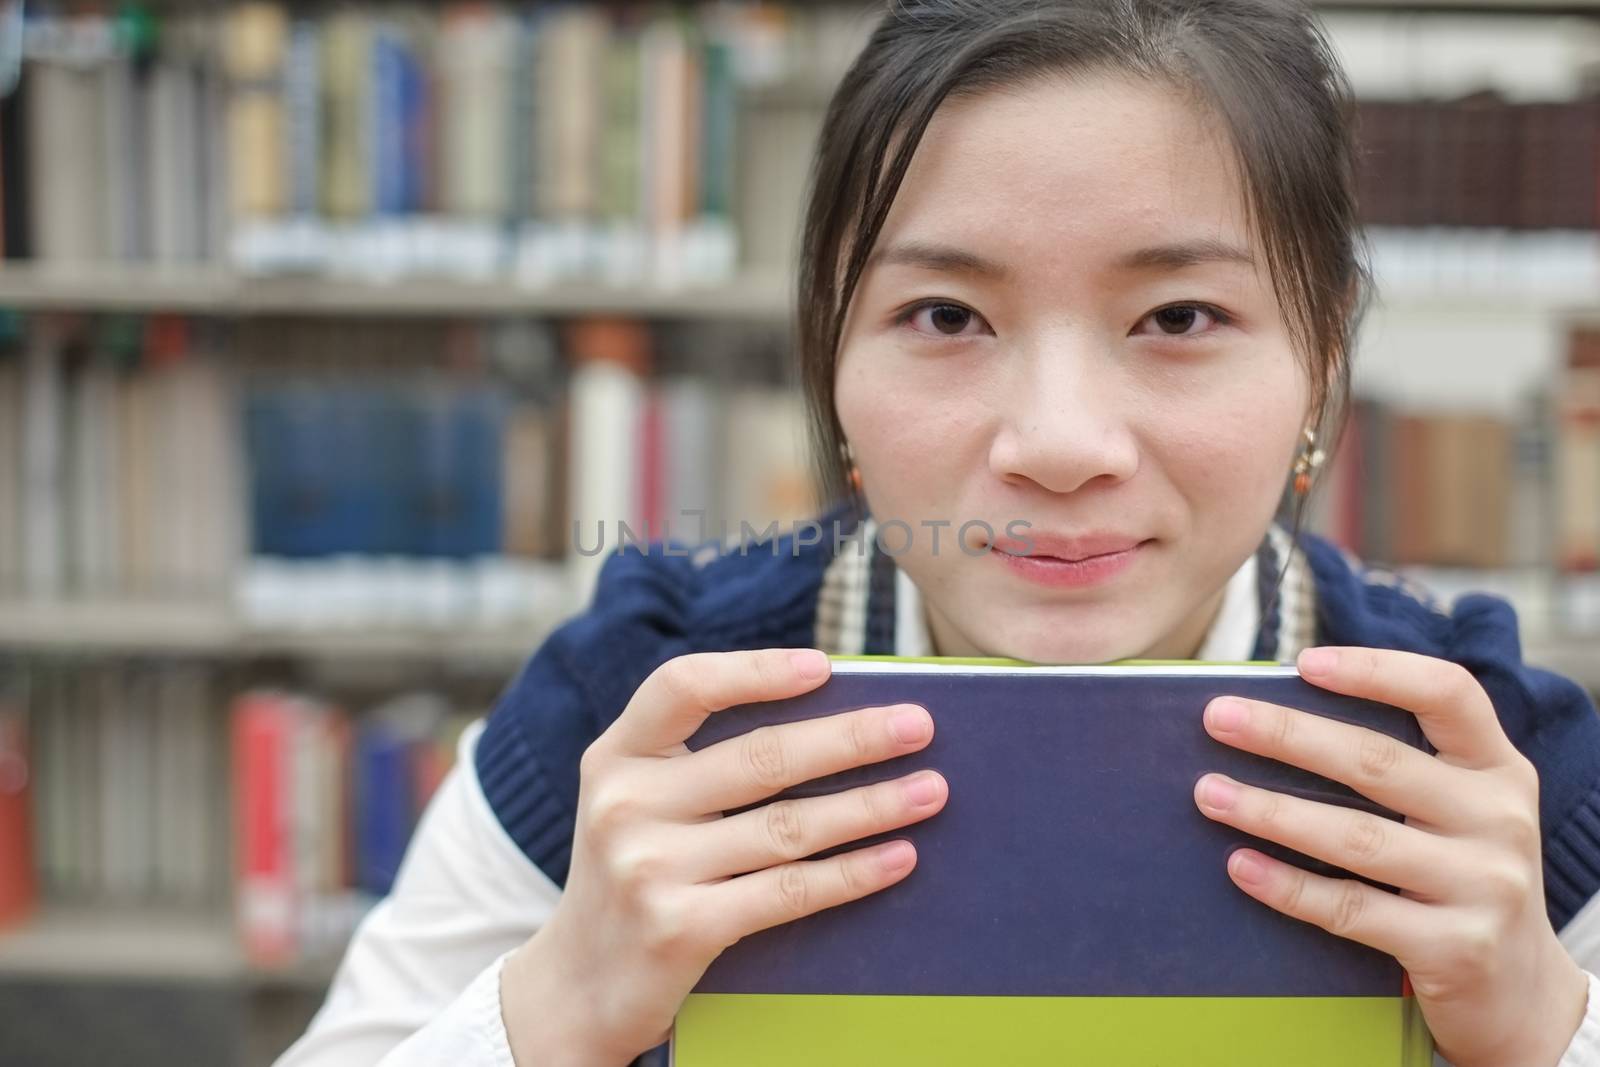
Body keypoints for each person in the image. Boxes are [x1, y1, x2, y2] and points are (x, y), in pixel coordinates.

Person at [275, 1, 1600, 1064]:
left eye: (1180, 318)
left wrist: (1549, 1030)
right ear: (833, 368)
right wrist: (547, 1015)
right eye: (948, 319)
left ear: (1318, 370)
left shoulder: (1491, 769)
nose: (1061, 444)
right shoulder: (634, 710)